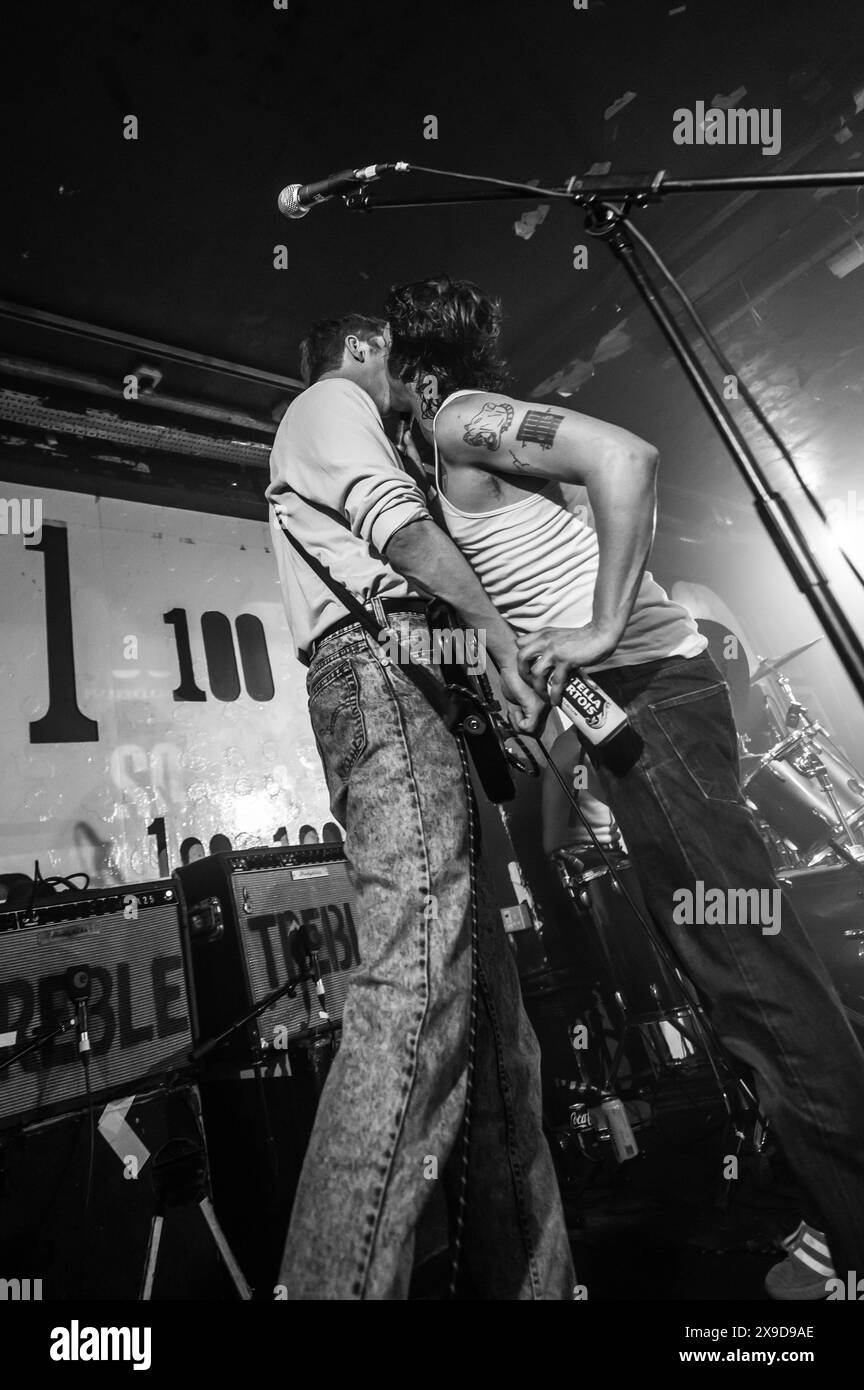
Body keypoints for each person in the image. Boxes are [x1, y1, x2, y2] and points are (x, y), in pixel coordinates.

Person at [383, 275, 864, 1300]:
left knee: (755, 978)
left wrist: (601, 628)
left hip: (654, 695)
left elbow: (626, 458)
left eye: (384, 381)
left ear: (422, 383)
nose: (376, 405)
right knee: (737, 974)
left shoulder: (463, 417)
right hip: (637, 721)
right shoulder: (455, 467)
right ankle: (832, 1209)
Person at [265, 312, 574, 1299]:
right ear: (361, 346)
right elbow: (395, 532)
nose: (407, 369)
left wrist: (482, 688)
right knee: (415, 1000)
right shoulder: (330, 402)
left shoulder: (339, 417)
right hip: (384, 685)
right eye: (396, 349)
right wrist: (498, 632)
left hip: (414, 691)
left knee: (494, 1032)